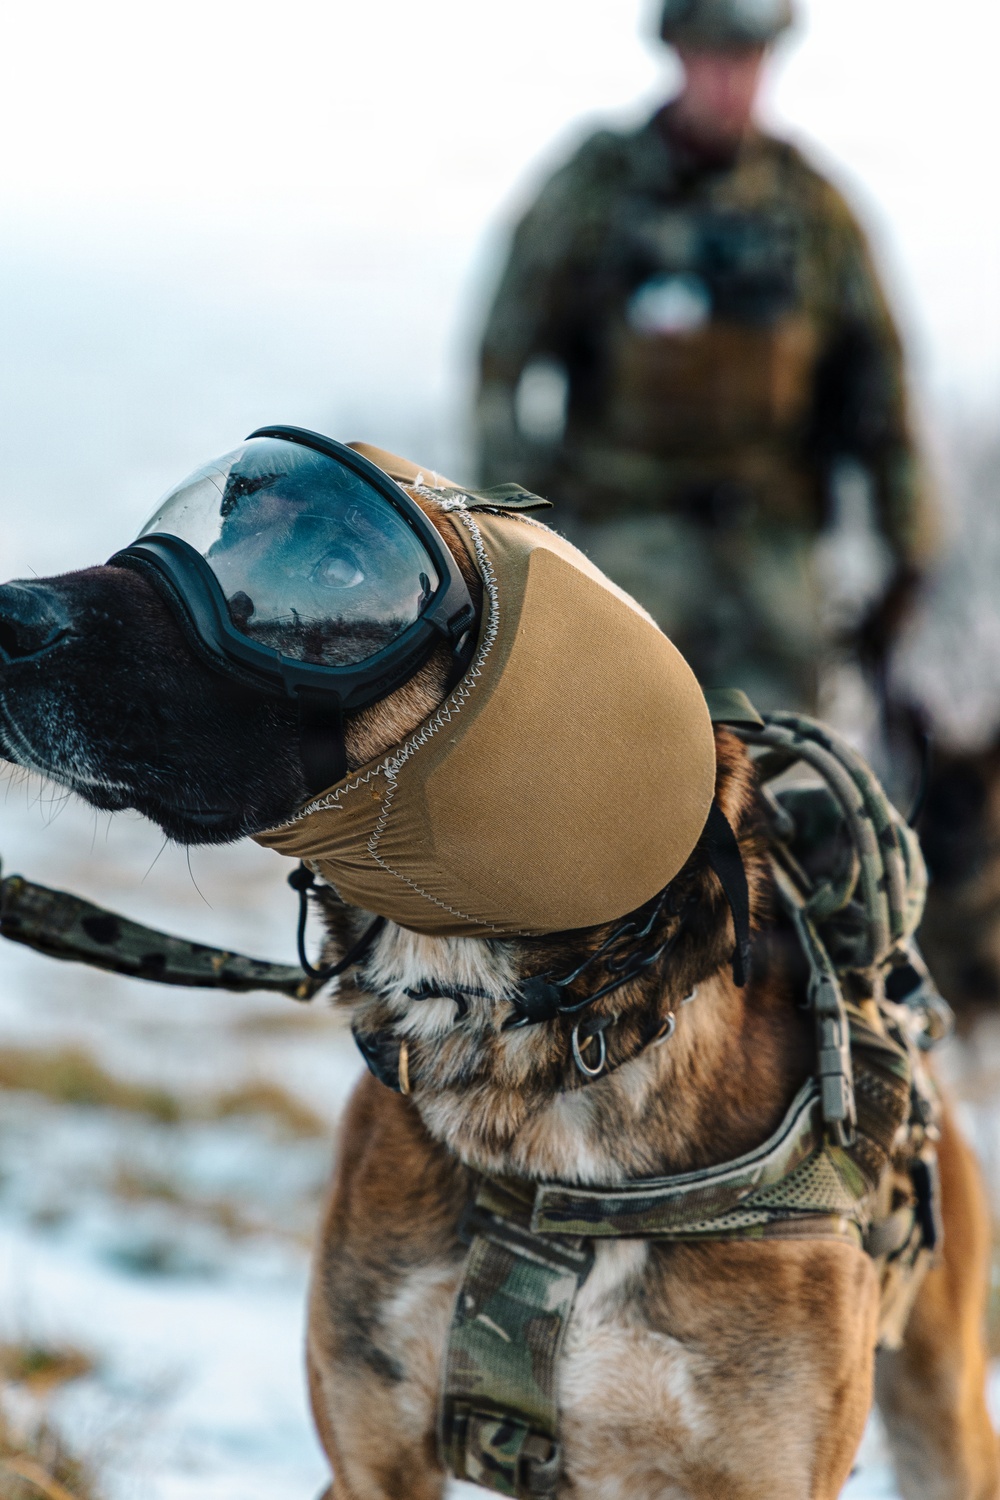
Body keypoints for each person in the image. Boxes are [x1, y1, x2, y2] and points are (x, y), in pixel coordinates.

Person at [475, 0, 935, 713]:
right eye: (712, 58)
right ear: (679, 55)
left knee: (779, 787)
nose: (729, 81)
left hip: (770, 563)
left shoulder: (812, 212)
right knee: (603, 767)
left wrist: (909, 548)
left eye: (746, 60)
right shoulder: (598, 192)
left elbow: (882, 385)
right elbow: (502, 359)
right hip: (624, 547)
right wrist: (505, 529)